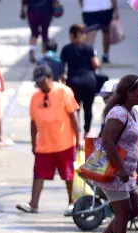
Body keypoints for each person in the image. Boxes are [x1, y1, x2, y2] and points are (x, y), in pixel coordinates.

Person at [89, 75, 138, 233]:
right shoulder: (118, 113)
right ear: (129, 93)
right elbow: (108, 142)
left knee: (135, 208)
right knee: (124, 211)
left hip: (127, 171)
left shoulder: (133, 112)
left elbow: (134, 142)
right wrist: (120, 168)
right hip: (114, 170)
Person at [18, 65, 82, 214]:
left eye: (42, 81)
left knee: (68, 175)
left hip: (64, 143)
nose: (40, 85)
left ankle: (72, 203)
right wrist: (33, 143)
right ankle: (33, 204)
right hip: (44, 144)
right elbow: (33, 122)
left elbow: (74, 117)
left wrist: (79, 139)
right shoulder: (35, 97)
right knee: (38, 174)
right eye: (37, 82)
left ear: (50, 78)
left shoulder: (64, 92)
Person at [61, 23, 101, 135]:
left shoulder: (66, 49)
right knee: (88, 108)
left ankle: (76, 132)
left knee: (75, 109)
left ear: (71, 35)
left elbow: (62, 69)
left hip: (73, 83)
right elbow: (96, 64)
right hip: (89, 82)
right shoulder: (89, 47)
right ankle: (87, 131)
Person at [80, 0, 118, 65]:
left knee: (90, 33)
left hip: (89, 8)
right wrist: (115, 9)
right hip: (105, 7)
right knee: (106, 32)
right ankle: (105, 55)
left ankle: (88, 57)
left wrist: (83, 6)